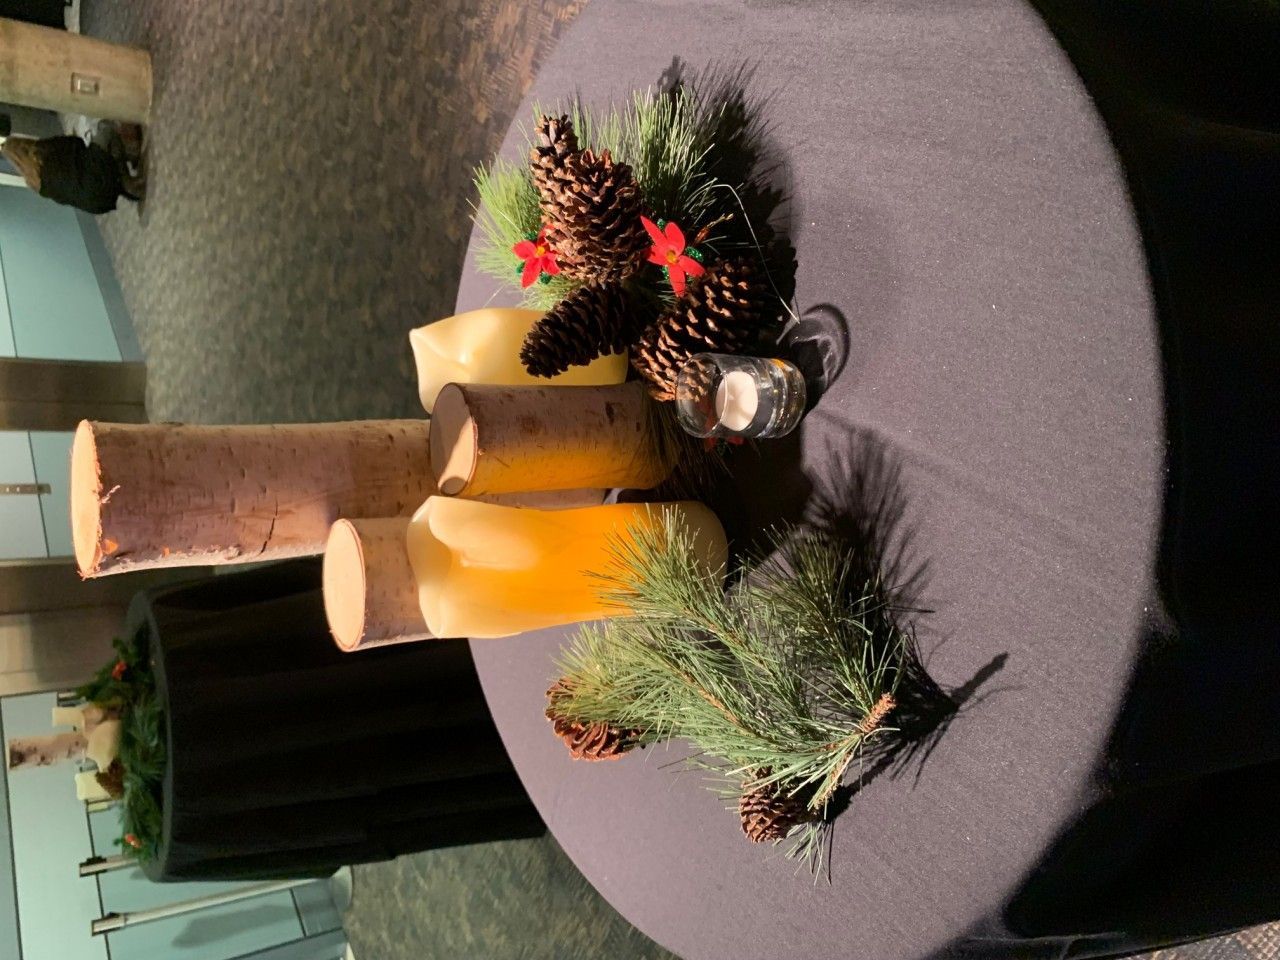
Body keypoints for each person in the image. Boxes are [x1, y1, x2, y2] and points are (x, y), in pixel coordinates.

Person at [1, 121, 145, 214]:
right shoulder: (43, 149)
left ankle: (127, 179)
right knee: (105, 128)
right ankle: (127, 179)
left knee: (100, 156)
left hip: (97, 204)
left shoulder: (34, 184)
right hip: (96, 177)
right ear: (23, 141)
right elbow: (75, 142)